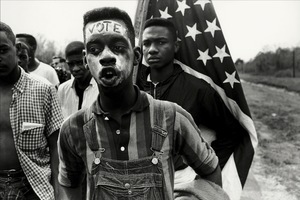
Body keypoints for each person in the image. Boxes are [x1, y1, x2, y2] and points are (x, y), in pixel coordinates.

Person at [57, 7, 222, 200]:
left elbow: (210, 170)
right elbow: (69, 185)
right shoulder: (73, 128)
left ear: (136, 56)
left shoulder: (172, 117)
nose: (107, 56)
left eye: (118, 47)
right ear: (86, 60)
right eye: (95, 50)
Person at [137, 18, 247, 185]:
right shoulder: (132, 87)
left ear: (176, 45)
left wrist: (205, 172)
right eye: (147, 43)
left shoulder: (198, 90)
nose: (152, 49)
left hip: (179, 180)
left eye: (161, 42)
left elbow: (231, 133)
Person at [0, 21, 63, 199]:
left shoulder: (43, 90)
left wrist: (59, 193)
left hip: (33, 188)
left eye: (3, 50)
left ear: (16, 49)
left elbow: (56, 150)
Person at [57, 41, 98, 120]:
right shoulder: (63, 89)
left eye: (79, 63)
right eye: (71, 64)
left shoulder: (101, 88)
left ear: (88, 60)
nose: (75, 69)